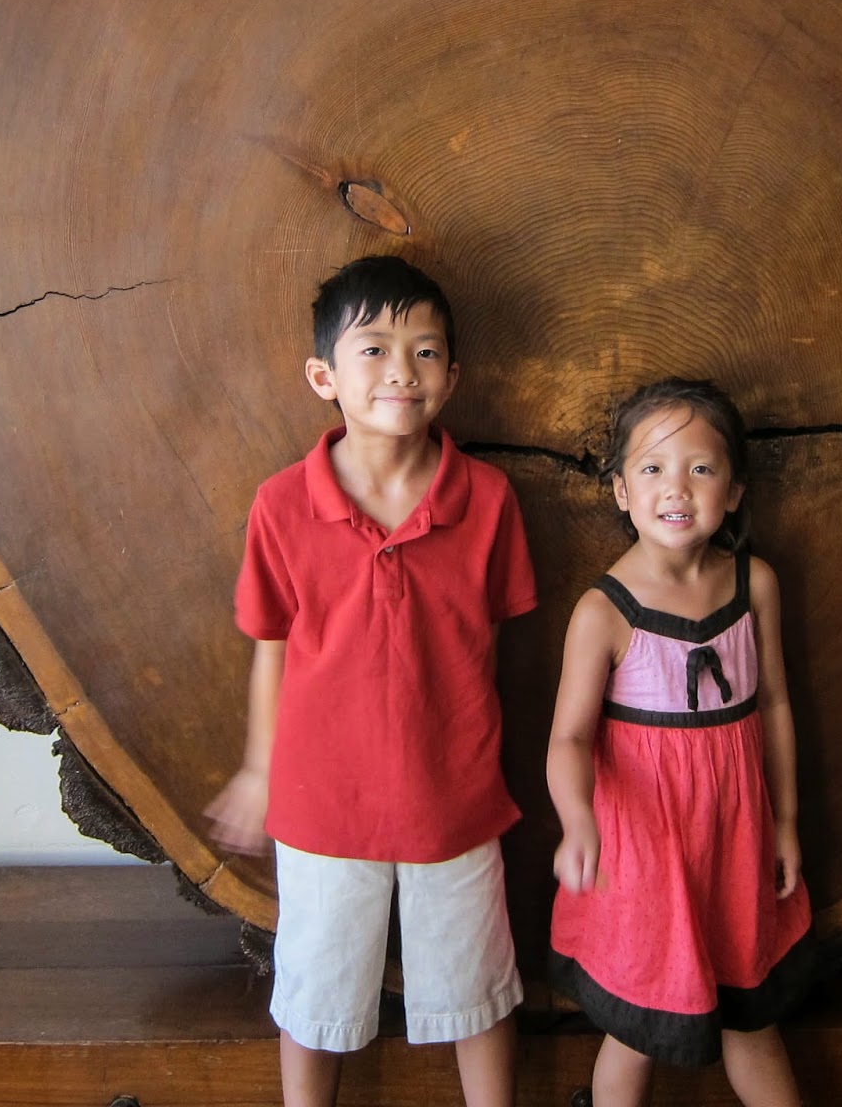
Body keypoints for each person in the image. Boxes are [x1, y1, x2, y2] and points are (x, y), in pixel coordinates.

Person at [206, 254, 537, 1107]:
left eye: (425, 352)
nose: (402, 371)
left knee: (478, 987)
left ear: (453, 377)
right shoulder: (282, 504)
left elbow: (489, 643)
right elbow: (271, 645)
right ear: (325, 376)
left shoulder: (488, 498)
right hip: (321, 802)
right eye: (375, 350)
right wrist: (258, 768)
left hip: (454, 796)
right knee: (315, 993)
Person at [547, 377, 813, 1107]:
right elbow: (569, 737)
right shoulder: (603, 611)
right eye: (653, 467)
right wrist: (576, 820)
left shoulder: (755, 585)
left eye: (701, 468)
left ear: (734, 490)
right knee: (636, 1027)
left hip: (736, 847)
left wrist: (786, 822)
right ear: (621, 491)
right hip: (645, 856)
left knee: (752, 1019)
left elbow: (776, 704)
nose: (677, 487)